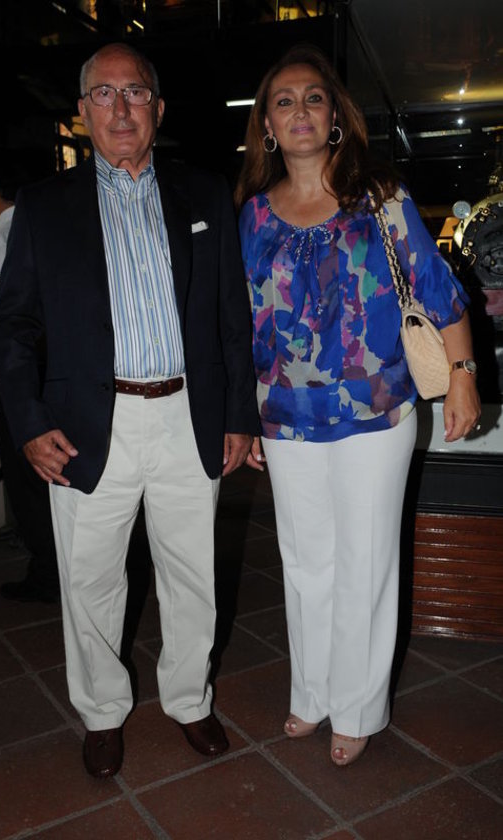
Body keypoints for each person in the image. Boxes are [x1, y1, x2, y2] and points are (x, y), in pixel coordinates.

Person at [0, 43, 259, 779]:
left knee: (193, 574)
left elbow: (232, 316)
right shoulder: (43, 207)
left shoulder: (204, 193)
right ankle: (102, 713)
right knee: (90, 582)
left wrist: (240, 413)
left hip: (187, 417)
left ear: (157, 108)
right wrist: (29, 421)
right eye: (103, 94)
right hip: (85, 426)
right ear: (82, 112)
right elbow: (13, 325)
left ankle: (189, 699)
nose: (120, 108)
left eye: (134, 92)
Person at [236, 44, 481, 766]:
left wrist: (462, 374)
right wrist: (243, 416)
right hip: (284, 416)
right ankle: (312, 692)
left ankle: (358, 706)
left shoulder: (380, 196)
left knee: (365, 560)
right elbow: (238, 322)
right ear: (267, 126)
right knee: (304, 560)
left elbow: (437, 288)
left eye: (313, 98)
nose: (300, 111)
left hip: (377, 412)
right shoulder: (252, 216)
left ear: (334, 116)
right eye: (283, 101)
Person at [0, 147, 60, 603]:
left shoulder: (5, 238)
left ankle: (48, 574)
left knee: (28, 485)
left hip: (22, 380)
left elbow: (6, 321)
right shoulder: (50, 229)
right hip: (54, 377)